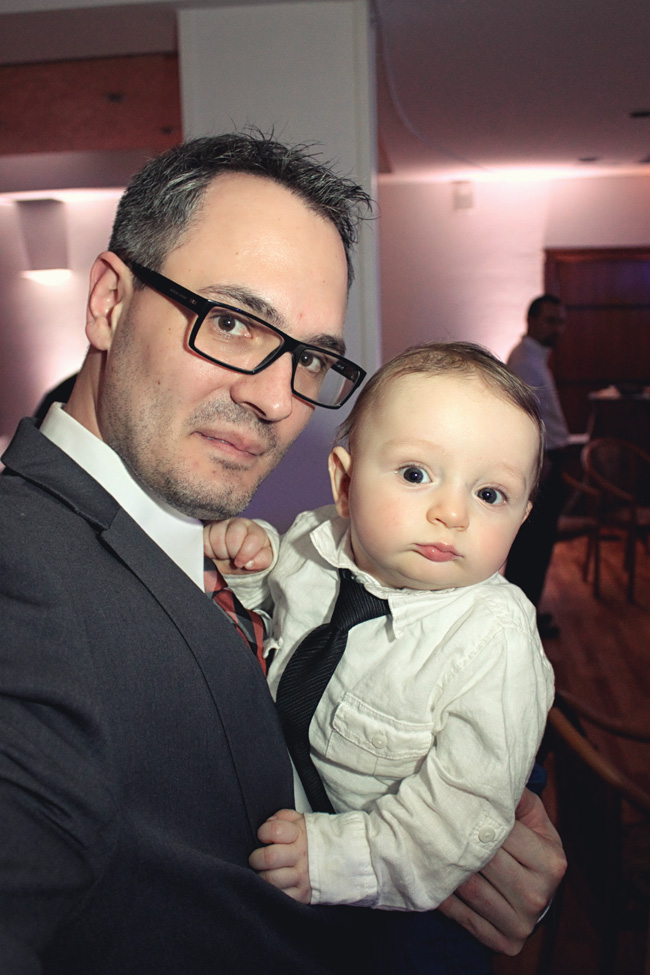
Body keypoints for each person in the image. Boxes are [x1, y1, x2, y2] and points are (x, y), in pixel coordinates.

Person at [0, 134, 565, 975]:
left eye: (310, 357)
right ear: (111, 302)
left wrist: (484, 844)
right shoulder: (21, 580)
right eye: (231, 322)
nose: (274, 398)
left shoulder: (242, 541)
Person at [205, 342, 555, 973]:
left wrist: (339, 858)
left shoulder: (496, 638)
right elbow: (279, 618)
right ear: (344, 483)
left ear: (523, 516)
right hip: (299, 843)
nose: (452, 513)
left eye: (490, 494)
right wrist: (252, 569)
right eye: (416, 474)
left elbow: (462, 809)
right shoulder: (313, 542)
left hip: (410, 904)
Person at [505, 294, 570, 639]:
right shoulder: (526, 361)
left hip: (548, 462)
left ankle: (527, 614)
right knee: (532, 549)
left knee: (536, 548)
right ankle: (523, 621)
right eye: (550, 320)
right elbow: (526, 420)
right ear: (530, 320)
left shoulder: (534, 358)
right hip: (542, 466)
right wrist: (539, 464)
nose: (557, 328)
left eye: (561, 321)